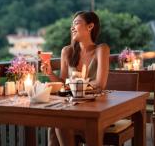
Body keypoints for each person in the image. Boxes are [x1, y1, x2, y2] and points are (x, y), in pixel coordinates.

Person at [41, 11, 110, 146]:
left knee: (59, 123)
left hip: (95, 110)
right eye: (72, 24)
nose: (72, 27)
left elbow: (100, 84)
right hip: (72, 107)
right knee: (56, 123)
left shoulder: (101, 49)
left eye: (77, 23)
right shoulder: (67, 51)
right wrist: (49, 72)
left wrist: (72, 85)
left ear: (90, 27)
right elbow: (62, 83)